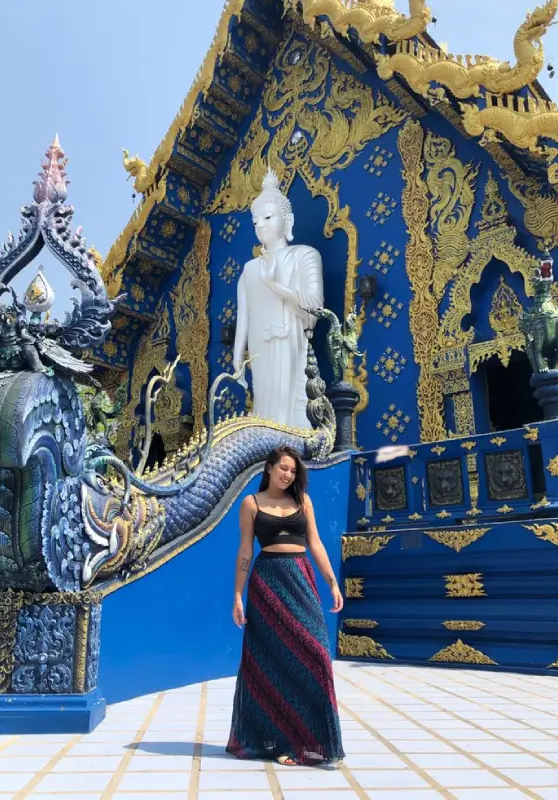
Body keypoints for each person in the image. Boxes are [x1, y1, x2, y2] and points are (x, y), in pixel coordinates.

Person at [226, 446, 345, 766]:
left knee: (316, 655)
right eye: (283, 468)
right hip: (267, 582)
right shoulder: (251, 503)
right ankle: (283, 743)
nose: (287, 474)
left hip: (300, 578)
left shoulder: (303, 501)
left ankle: (312, 738)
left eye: (292, 470)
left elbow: (315, 543)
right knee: (271, 663)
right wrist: (238, 595)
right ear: (269, 468)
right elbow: (245, 551)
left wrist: (332, 581)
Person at [233, 169, 324, 429]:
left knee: (291, 410)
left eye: (268, 217)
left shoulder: (305, 255)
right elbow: (245, 319)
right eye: (255, 221)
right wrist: (238, 357)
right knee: (264, 408)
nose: (260, 225)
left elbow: (313, 311)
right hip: (259, 346)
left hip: (290, 340)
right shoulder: (249, 269)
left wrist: (275, 285)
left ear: (287, 220)